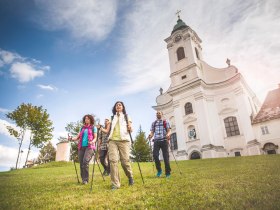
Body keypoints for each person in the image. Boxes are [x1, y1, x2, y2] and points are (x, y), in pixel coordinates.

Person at [107, 101, 134, 190]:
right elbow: (108, 130)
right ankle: (115, 184)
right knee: (113, 161)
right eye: (117, 105)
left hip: (124, 140)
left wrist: (130, 128)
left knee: (124, 161)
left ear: (122, 107)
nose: (118, 106)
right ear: (115, 108)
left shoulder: (126, 116)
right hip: (113, 141)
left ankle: (130, 176)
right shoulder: (112, 118)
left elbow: (130, 126)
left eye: (120, 105)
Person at [69, 114, 97, 184]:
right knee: (81, 163)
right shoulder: (82, 128)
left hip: (90, 147)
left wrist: (92, 142)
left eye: (88, 118)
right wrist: (71, 139)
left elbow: (95, 138)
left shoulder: (93, 128)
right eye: (85, 119)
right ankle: (83, 179)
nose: (86, 120)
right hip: (81, 147)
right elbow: (77, 137)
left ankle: (86, 180)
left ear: (91, 120)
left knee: (85, 161)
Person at [148, 111, 172, 178]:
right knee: (155, 155)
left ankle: (168, 173)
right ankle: (159, 170)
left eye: (159, 113)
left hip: (164, 140)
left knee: (166, 157)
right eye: (157, 113)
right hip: (156, 141)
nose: (158, 114)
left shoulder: (165, 122)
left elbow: (169, 130)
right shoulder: (154, 123)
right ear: (156, 115)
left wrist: (168, 134)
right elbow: (152, 132)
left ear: (162, 114)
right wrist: (150, 135)